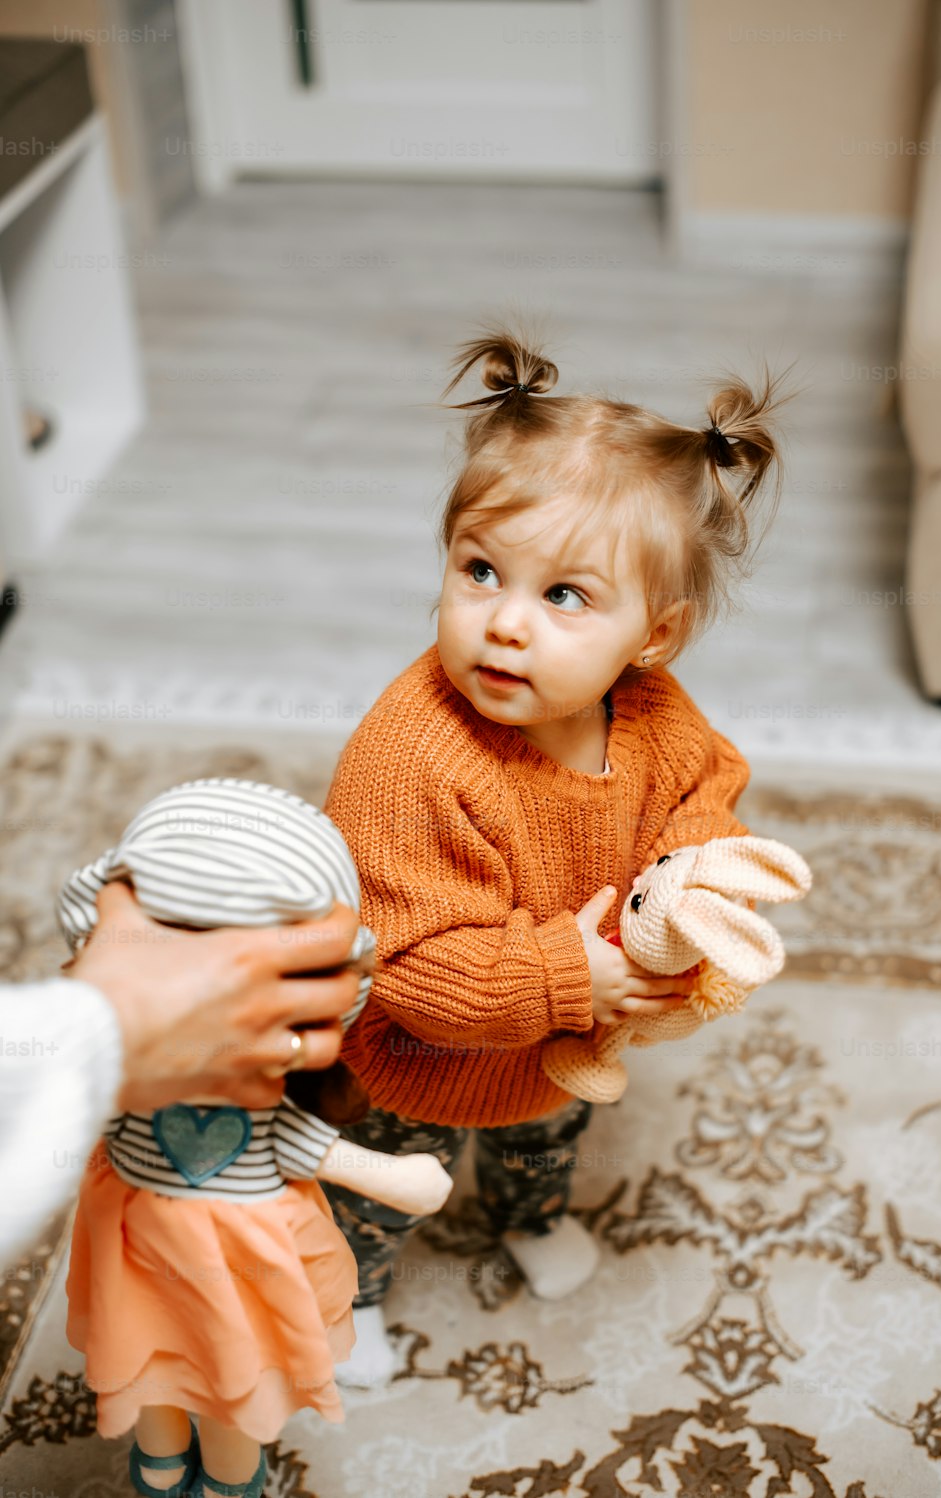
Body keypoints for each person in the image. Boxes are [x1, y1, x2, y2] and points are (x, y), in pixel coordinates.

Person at [321, 326, 788, 1385]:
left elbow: (699, 792)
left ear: (652, 637)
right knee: (391, 1180)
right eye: (480, 570)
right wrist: (569, 969)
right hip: (417, 1054)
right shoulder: (410, 756)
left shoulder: (654, 709)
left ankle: (528, 1215)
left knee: (545, 1137)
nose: (505, 625)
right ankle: (345, 1292)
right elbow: (410, 965)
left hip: (564, 1037)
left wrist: (694, 880)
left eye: (563, 595)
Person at [56, 778, 451, 1498]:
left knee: (231, 1380)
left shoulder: (263, 1093)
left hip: (237, 1263)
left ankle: (228, 1480)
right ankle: (163, 1466)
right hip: (140, 1249)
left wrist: (384, 1173)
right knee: (150, 1370)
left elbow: (305, 1142)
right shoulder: (116, 1069)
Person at [0, 880, 371, 1266]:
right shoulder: (99, 1101)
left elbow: (299, 1143)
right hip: (142, 1236)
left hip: (244, 1246)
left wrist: (103, 1031)